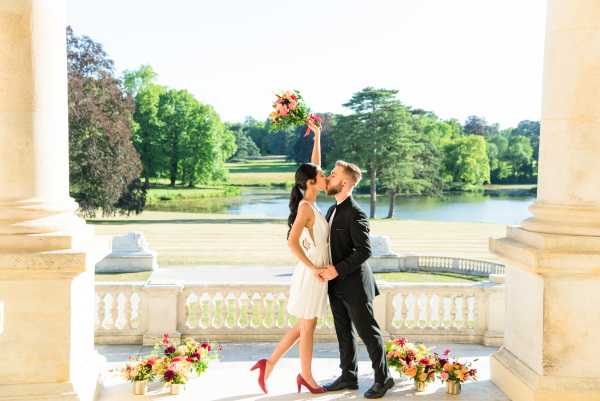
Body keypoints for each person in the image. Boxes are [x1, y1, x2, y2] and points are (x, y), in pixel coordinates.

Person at [250, 120, 329, 394]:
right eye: (321, 176)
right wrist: (313, 267)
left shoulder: (312, 201)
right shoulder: (306, 208)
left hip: (317, 274)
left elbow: (313, 164)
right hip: (312, 274)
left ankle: (268, 364)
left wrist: (317, 136)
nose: (326, 176)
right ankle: (306, 377)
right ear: (310, 183)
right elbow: (291, 242)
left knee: (302, 327)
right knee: (307, 330)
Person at [318, 160, 395, 399]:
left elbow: (364, 251)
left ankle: (384, 379)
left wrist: (336, 270)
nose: (328, 177)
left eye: (333, 173)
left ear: (345, 182)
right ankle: (348, 376)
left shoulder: (356, 213)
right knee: (343, 332)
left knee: (368, 333)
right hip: (335, 285)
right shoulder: (331, 210)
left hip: (355, 285)